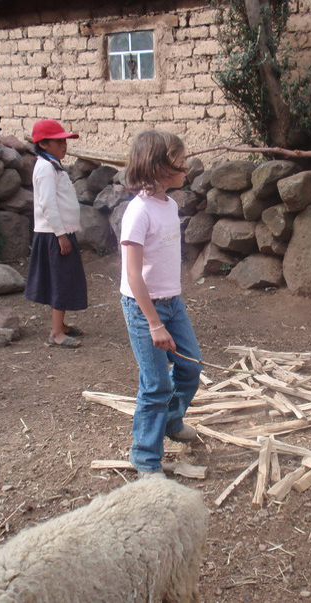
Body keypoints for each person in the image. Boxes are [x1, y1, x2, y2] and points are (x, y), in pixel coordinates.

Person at [119, 130, 202, 478]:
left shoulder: (170, 205)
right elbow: (133, 276)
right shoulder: (137, 213)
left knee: (191, 366)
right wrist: (154, 323)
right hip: (144, 309)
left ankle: (170, 420)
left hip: (172, 302)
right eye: (180, 162)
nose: (187, 167)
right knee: (155, 385)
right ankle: (145, 456)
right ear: (158, 167)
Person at [24, 119, 88, 348]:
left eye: (64, 141)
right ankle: (55, 332)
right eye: (58, 141)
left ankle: (60, 325)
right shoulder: (45, 169)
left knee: (65, 278)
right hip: (53, 233)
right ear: (43, 144)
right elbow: (48, 204)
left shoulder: (53, 165)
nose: (64, 145)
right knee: (60, 280)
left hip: (60, 231)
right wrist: (60, 235)